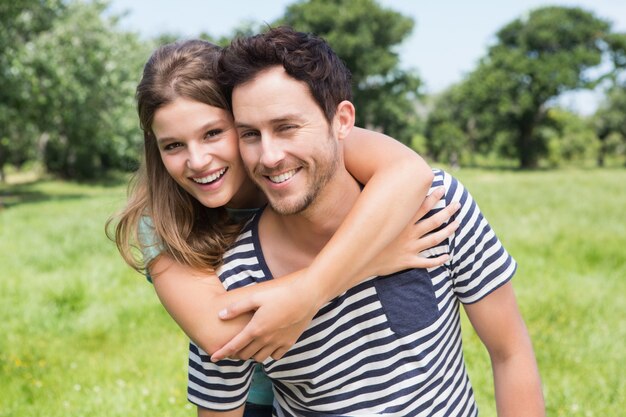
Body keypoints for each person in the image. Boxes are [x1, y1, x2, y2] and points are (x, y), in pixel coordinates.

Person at [187, 27, 545, 416]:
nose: (269, 156)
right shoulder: (233, 282)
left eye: (287, 127)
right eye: (250, 134)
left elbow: (509, 351)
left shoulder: (437, 208)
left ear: (342, 121)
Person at [107, 40, 459, 416]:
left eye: (213, 133)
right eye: (173, 145)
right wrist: (366, 262)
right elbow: (221, 333)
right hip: (260, 395)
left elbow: (408, 172)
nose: (197, 161)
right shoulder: (160, 221)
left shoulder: (286, 151)